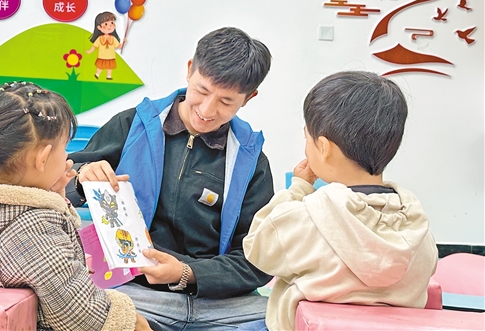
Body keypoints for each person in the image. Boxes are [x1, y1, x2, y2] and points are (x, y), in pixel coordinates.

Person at [67, 27, 274, 330]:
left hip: (220, 304)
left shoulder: (251, 160)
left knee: (285, 318)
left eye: (226, 102)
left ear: (248, 98)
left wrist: (188, 273)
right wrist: (82, 177)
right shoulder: (133, 125)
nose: (207, 110)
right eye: (202, 91)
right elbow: (58, 184)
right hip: (135, 293)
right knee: (77, 309)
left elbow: (257, 260)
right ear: (190, 70)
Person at [0, 81, 152, 331]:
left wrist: (53, 198)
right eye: (64, 148)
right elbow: (84, 318)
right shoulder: (35, 227)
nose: (66, 157)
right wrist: (130, 318)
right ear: (43, 158)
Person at [243, 71, 438, 331]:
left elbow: (256, 246)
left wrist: (299, 188)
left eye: (307, 138)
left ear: (324, 148)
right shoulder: (418, 231)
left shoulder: (310, 218)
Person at [87, 11, 126, 80]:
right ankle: (97, 74)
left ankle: (109, 76)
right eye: (106, 24)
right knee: (100, 66)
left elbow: (119, 46)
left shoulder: (113, 38)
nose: (110, 26)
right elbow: (95, 46)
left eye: (112, 23)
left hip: (111, 57)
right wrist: (89, 51)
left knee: (109, 67)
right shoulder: (100, 38)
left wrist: (124, 43)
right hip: (101, 56)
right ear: (99, 27)